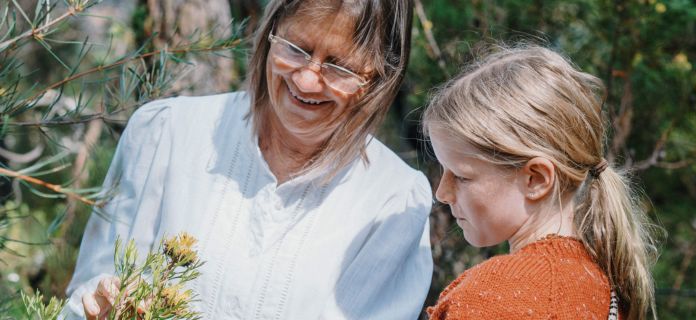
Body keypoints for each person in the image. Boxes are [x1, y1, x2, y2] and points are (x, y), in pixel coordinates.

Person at [62, 0, 433, 319]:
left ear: (379, 78)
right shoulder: (166, 134)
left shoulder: (393, 202)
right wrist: (100, 303)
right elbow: (88, 293)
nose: (306, 80)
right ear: (269, 33)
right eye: (296, 48)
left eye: (338, 66)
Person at [423, 45, 659, 319]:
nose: (442, 193)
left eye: (461, 176)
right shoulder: (600, 286)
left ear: (536, 179)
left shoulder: (490, 298)